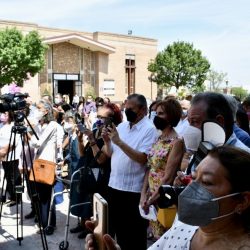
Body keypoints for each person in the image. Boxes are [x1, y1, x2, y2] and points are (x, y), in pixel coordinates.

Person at [85, 145, 250, 250]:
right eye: (193, 177)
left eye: (206, 182)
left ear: (242, 200)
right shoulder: (184, 228)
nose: (191, 188)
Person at [101, 94, 158, 250]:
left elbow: (142, 159)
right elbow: (110, 153)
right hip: (115, 186)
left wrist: (119, 141)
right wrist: (107, 141)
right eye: (126, 108)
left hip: (133, 191)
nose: (127, 111)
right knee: (118, 232)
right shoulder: (122, 127)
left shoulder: (149, 129)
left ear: (143, 110)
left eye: (131, 109)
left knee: (133, 236)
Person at [141, 99, 185, 239]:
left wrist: (151, 200)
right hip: (151, 197)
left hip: (164, 197)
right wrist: (144, 194)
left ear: (171, 116)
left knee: (165, 239)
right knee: (156, 238)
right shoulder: (159, 138)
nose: (156, 116)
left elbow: (168, 177)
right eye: (156, 113)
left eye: (161, 114)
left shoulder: (177, 142)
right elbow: (150, 168)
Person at [27, 100, 58, 234]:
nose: (36, 111)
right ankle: (42, 221)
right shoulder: (41, 125)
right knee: (40, 195)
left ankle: (49, 225)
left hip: (47, 163)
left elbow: (38, 143)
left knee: (47, 196)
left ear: (46, 111)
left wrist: (27, 134)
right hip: (38, 162)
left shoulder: (53, 125)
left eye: (39, 109)